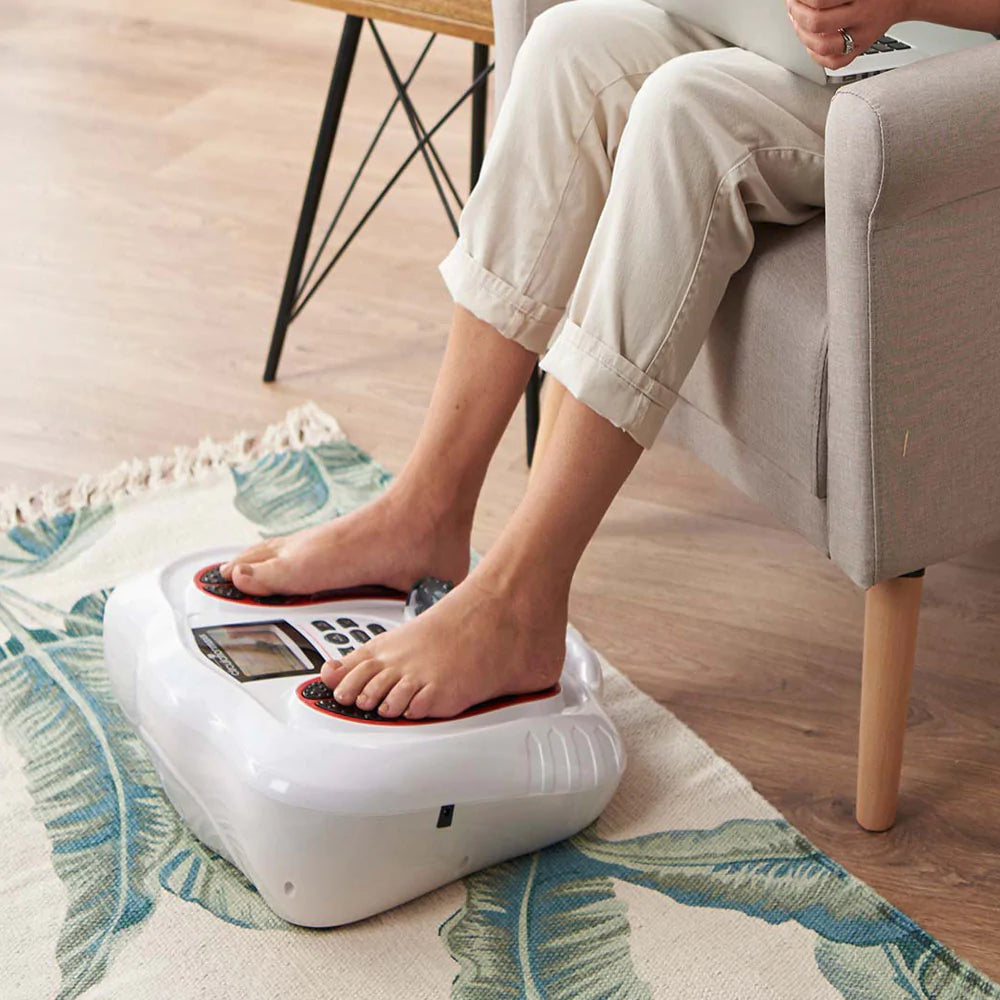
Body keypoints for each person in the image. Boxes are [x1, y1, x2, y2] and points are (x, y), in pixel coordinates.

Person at [222, 0, 1000, 720]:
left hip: (939, 83)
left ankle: (520, 601)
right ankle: (426, 511)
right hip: (817, 53)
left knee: (686, 111)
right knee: (570, 49)